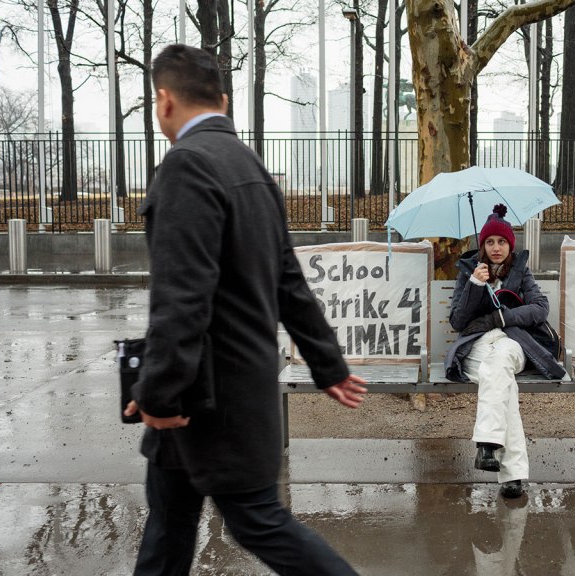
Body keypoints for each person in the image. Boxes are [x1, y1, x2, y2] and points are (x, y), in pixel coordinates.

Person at [123, 44, 367, 576]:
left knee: (257, 520)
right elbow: (289, 281)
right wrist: (328, 364)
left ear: (163, 101)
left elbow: (181, 299)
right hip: (227, 387)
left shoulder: (188, 165)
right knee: (168, 528)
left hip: (207, 399)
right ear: (224, 100)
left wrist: (158, 392)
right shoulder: (249, 165)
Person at [444, 204, 565, 499]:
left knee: (498, 365)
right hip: (477, 347)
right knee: (500, 381)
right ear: (482, 246)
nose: (496, 248)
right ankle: (512, 475)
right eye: (489, 242)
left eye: (501, 242)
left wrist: (502, 318)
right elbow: (457, 321)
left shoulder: (520, 271)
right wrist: (475, 284)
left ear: (510, 244)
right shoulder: (469, 272)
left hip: (512, 343)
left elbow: (540, 308)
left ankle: (488, 445)